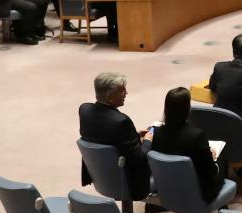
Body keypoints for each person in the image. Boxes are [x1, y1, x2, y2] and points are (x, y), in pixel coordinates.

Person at [78, 71, 151, 201]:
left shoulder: (84, 110)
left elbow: (103, 133)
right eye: (122, 91)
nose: (126, 93)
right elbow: (139, 159)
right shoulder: (121, 121)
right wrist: (147, 141)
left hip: (100, 175)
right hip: (128, 182)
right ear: (110, 97)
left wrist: (133, 135)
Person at [149, 86, 221, 202]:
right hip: (196, 190)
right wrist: (212, 158)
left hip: (167, 186)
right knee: (222, 159)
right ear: (187, 109)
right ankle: (223, 208)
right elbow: (210, 171)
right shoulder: (196, 135)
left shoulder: (154, 133)